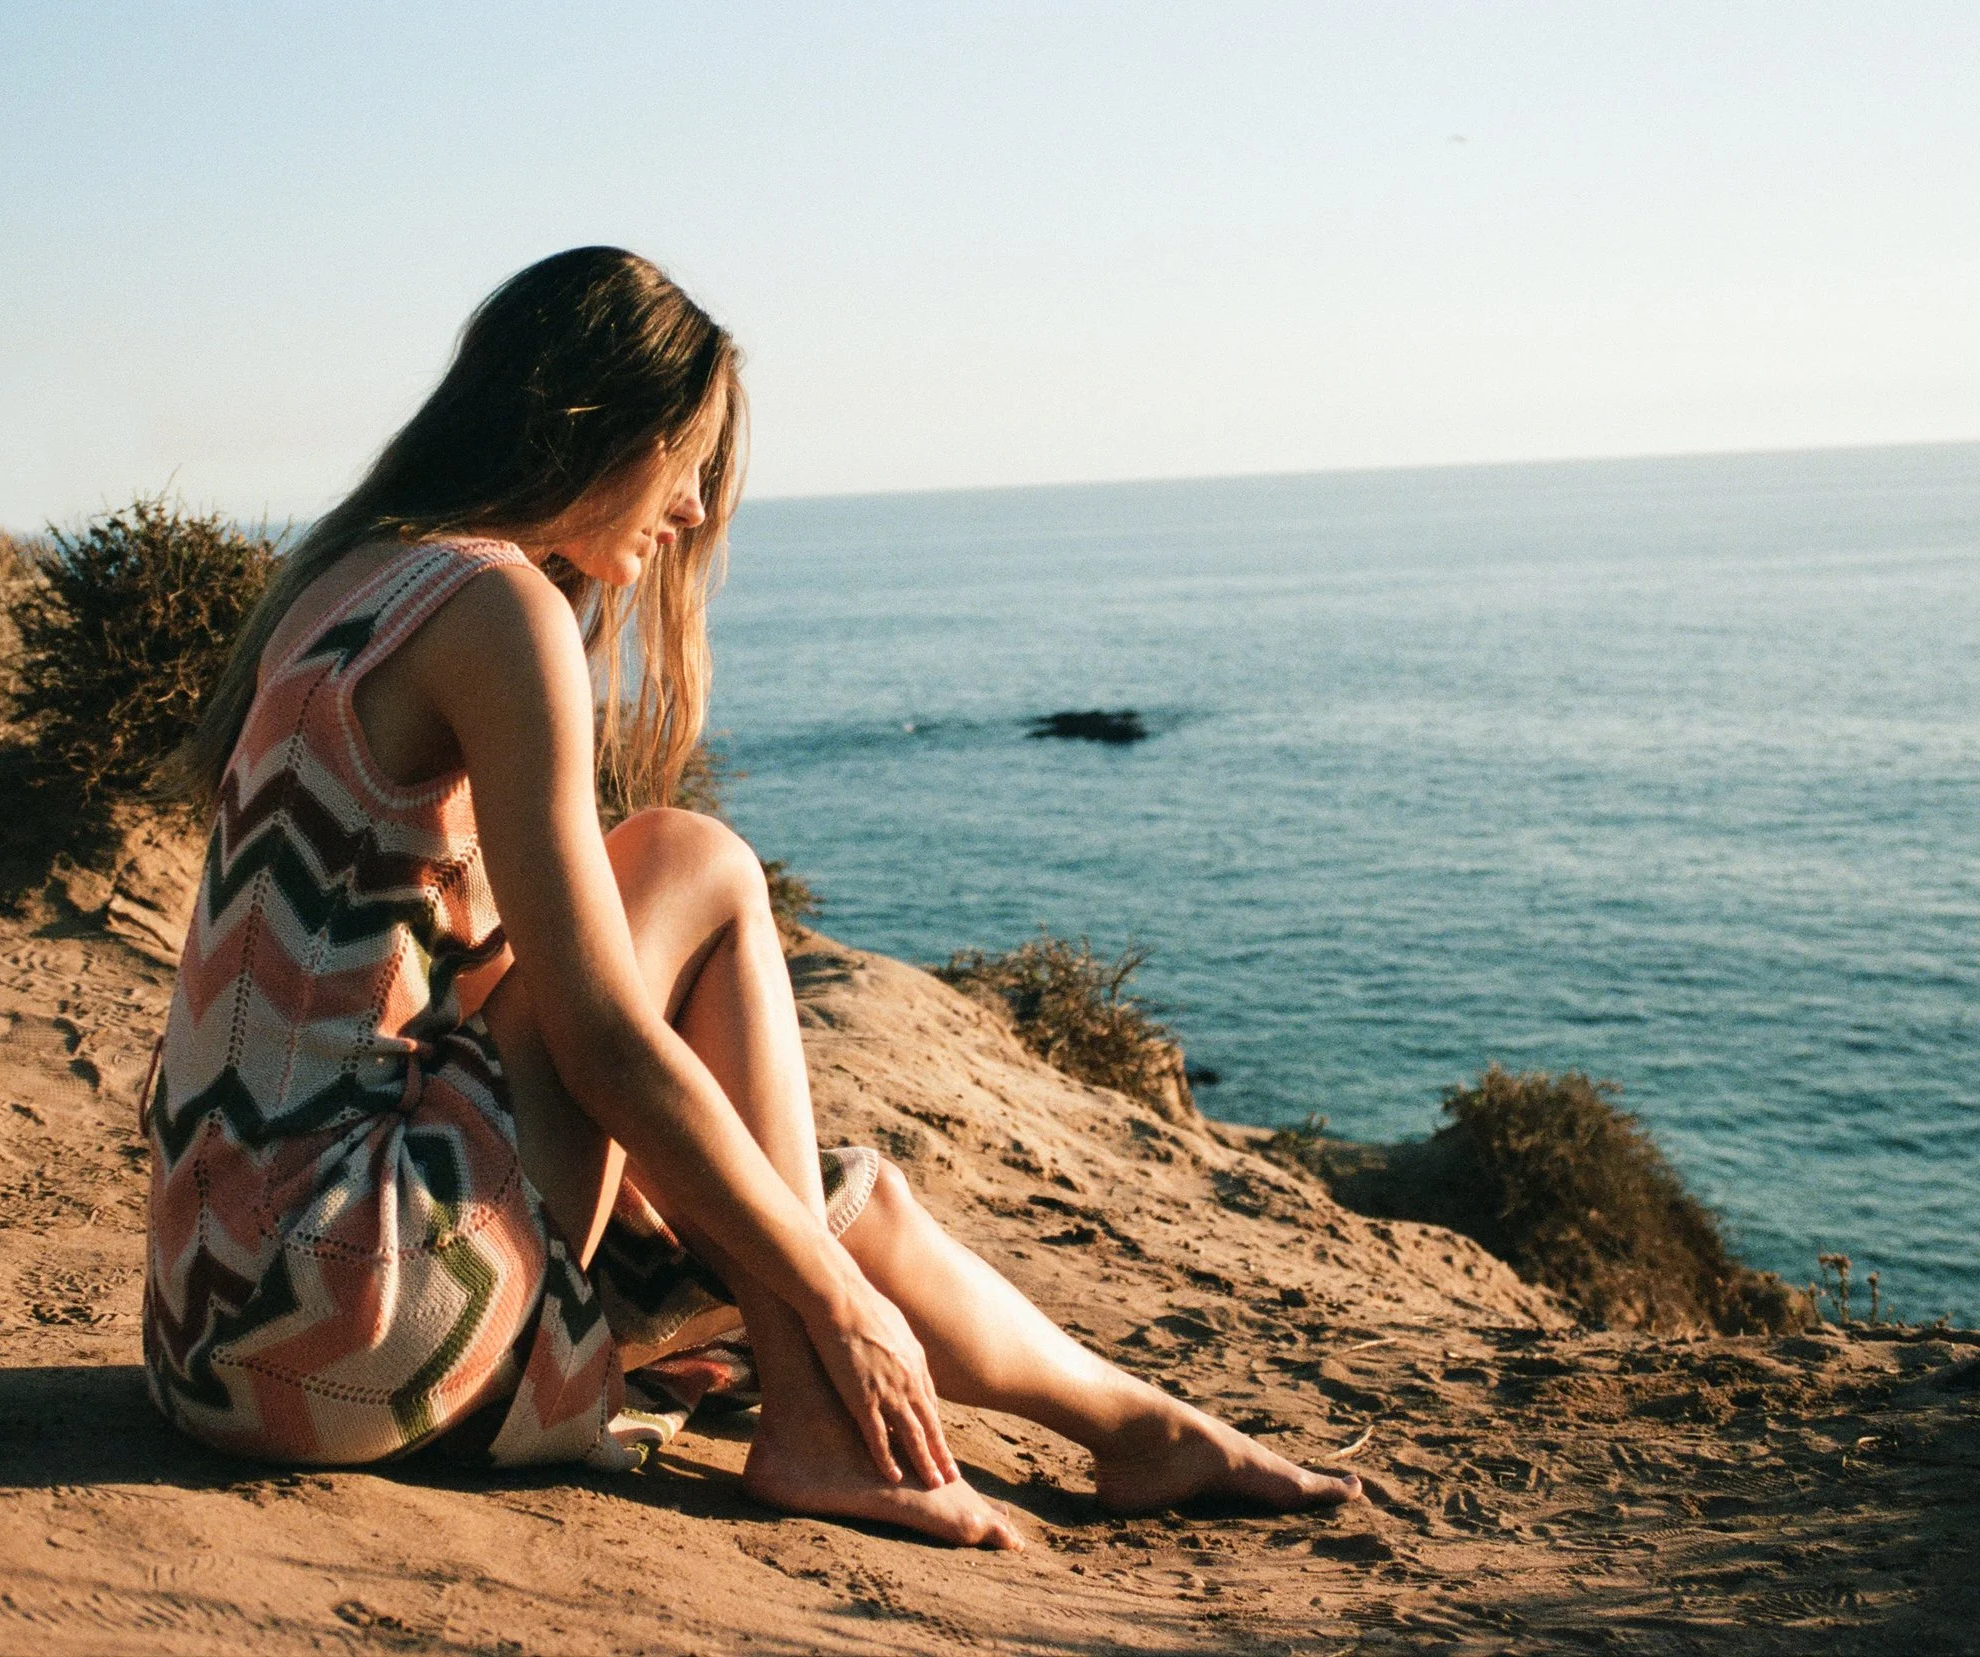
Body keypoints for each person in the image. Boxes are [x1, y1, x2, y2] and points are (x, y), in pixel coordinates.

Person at [140, 246, 1358, 1548]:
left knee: (833, 1201)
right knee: (697, 864)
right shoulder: (491, 605)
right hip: (340, 1308)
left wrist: (759, 1225)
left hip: (215, 1324)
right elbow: (601, 1039)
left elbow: (459, 986)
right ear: (610, 427)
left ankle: (1138, 1428)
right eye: (694, 458)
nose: (695, 506)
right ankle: (825, 1427)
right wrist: (825, 1299)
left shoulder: (342, 585)